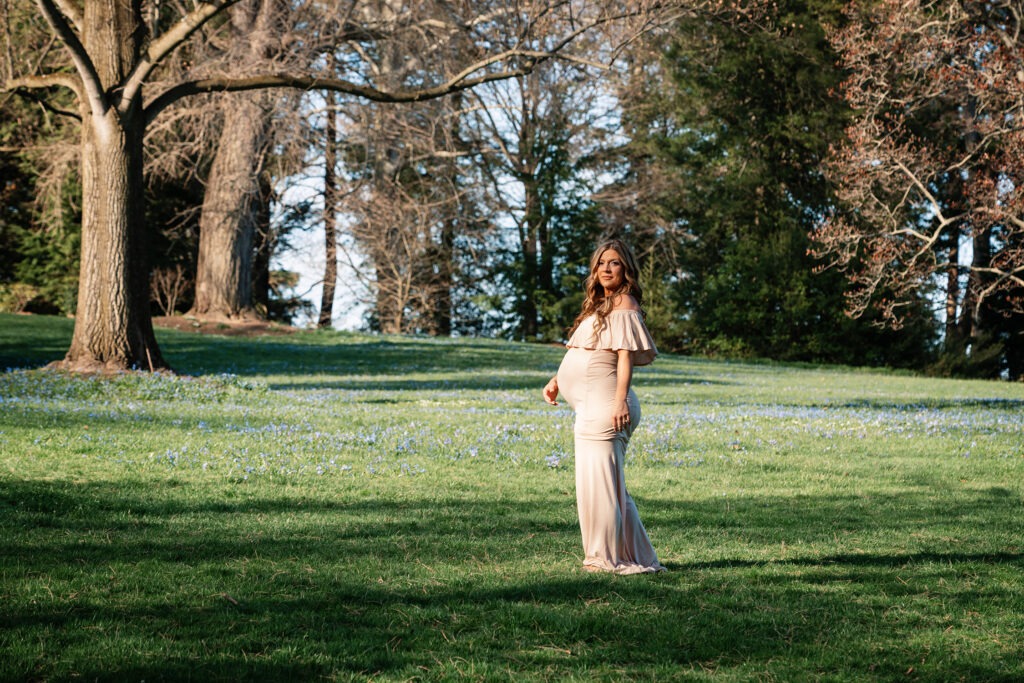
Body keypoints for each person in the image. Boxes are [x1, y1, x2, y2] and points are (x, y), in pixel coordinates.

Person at [543, 238, 666, 574]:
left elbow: (624, 356)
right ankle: (637, 556)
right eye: (601, 263)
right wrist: (557, 380)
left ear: (626, 269)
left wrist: (620, 400)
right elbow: (588, 349)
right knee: (607, 487)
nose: (607, 269)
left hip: (607, 405)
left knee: (602, 487)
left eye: (614, 263)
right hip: (592, 406)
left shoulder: (624, 301)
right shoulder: (601, 305)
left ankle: (603, 558)